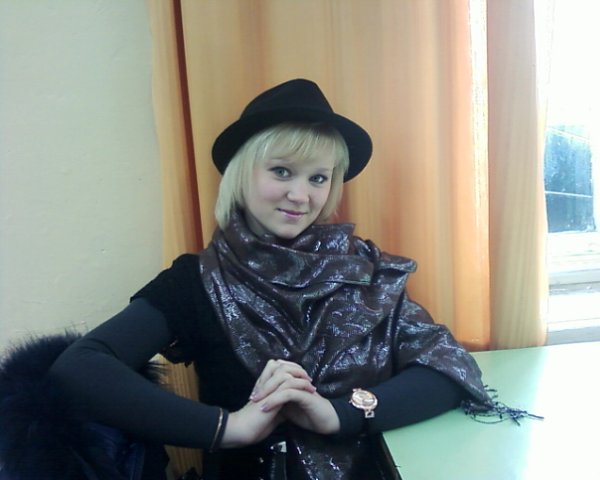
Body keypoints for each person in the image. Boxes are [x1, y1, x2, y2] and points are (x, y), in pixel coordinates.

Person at [36, 79, 492, 479]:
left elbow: (448, 369)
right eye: (281, 171)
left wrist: (338, 415)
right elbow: (79, 368)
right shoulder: (197, 281)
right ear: (243, 172)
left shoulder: (366, 272)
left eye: (318, 178)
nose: (300, 195)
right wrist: (228, 428)